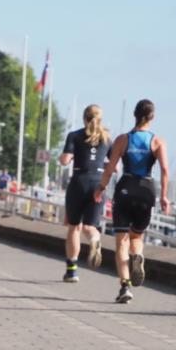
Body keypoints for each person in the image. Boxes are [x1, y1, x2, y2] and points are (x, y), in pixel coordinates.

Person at [95, 99, 170, 304]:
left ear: (134, 116)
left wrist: (100, 188)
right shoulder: (157, 142)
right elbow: (164, 170)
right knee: (136, 237)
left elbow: (110, 167)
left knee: (121, 240)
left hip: (126, 187)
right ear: (152, 117)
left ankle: (125, 286)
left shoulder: (122, 139)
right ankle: (137, 256)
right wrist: (164, 196)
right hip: (146, 190)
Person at [59, 104, 112, 283]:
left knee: (74, 226)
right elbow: (116, 166)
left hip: (79, 181)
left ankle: (72, 271)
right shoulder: (106, 139)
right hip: (98, 183)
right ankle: (95, 239)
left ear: (84, 118)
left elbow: (65, 161)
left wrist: (66, 156)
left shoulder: (74, 136)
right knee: (90, 227)